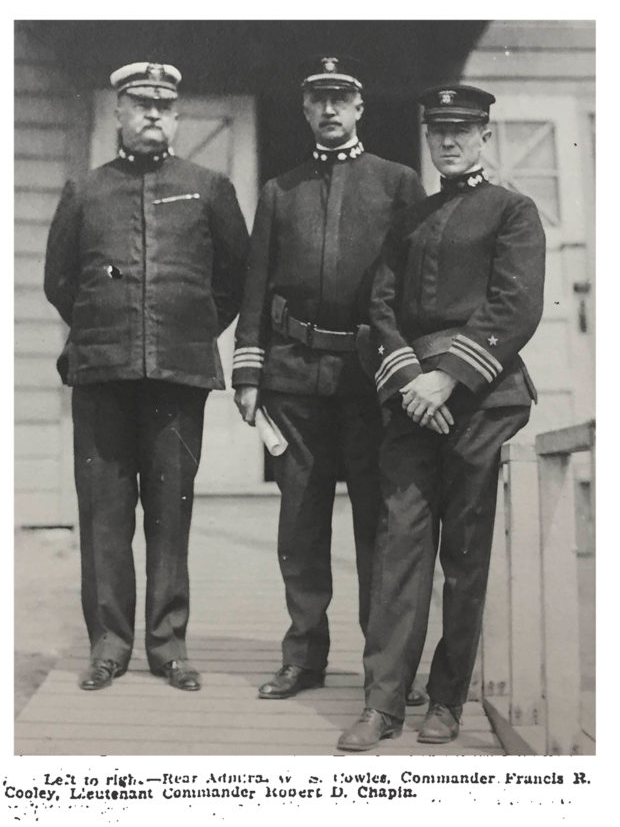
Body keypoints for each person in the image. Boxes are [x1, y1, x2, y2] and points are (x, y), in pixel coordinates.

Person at [338, 83, 546, 750]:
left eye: (462, 130)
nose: (449, 142)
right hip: (411, 405)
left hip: (480, 403)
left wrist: (446, 377)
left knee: (464, 554)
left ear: (484, 134)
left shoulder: (513, 210)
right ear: (427, 139)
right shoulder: (411, 219)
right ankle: (382, 702)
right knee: (399, 549)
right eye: (438, 132)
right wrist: (408, 380)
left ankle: (448, 700)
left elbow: (514, 308)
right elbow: (380, 310)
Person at [44, 62, 249, 691]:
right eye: (140, 105)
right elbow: (59, 282)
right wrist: (107, 330)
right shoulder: (85, 191)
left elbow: (234, 280)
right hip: (102, 375)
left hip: (176, 376)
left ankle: (168, 646)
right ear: (120, 115)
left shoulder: (209, 188)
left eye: (165, 105)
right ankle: (109, 645)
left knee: (169, 510)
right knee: (105, 513)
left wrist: (186, 330)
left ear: (178, 116)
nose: (154, 115)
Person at [233, 55, 426, 700]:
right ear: (305, 110)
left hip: (372, 378)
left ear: (360, 108)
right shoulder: (279, 191)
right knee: (302, 521)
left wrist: (412, 368)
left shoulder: (398, 184)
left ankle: (385, 666)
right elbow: (256, 287)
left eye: (341, 99)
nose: (330, 111)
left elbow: (417, 289)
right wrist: (250, 372)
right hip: (293, 379)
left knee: (378, 521)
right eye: (318, 100)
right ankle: (304, 656)